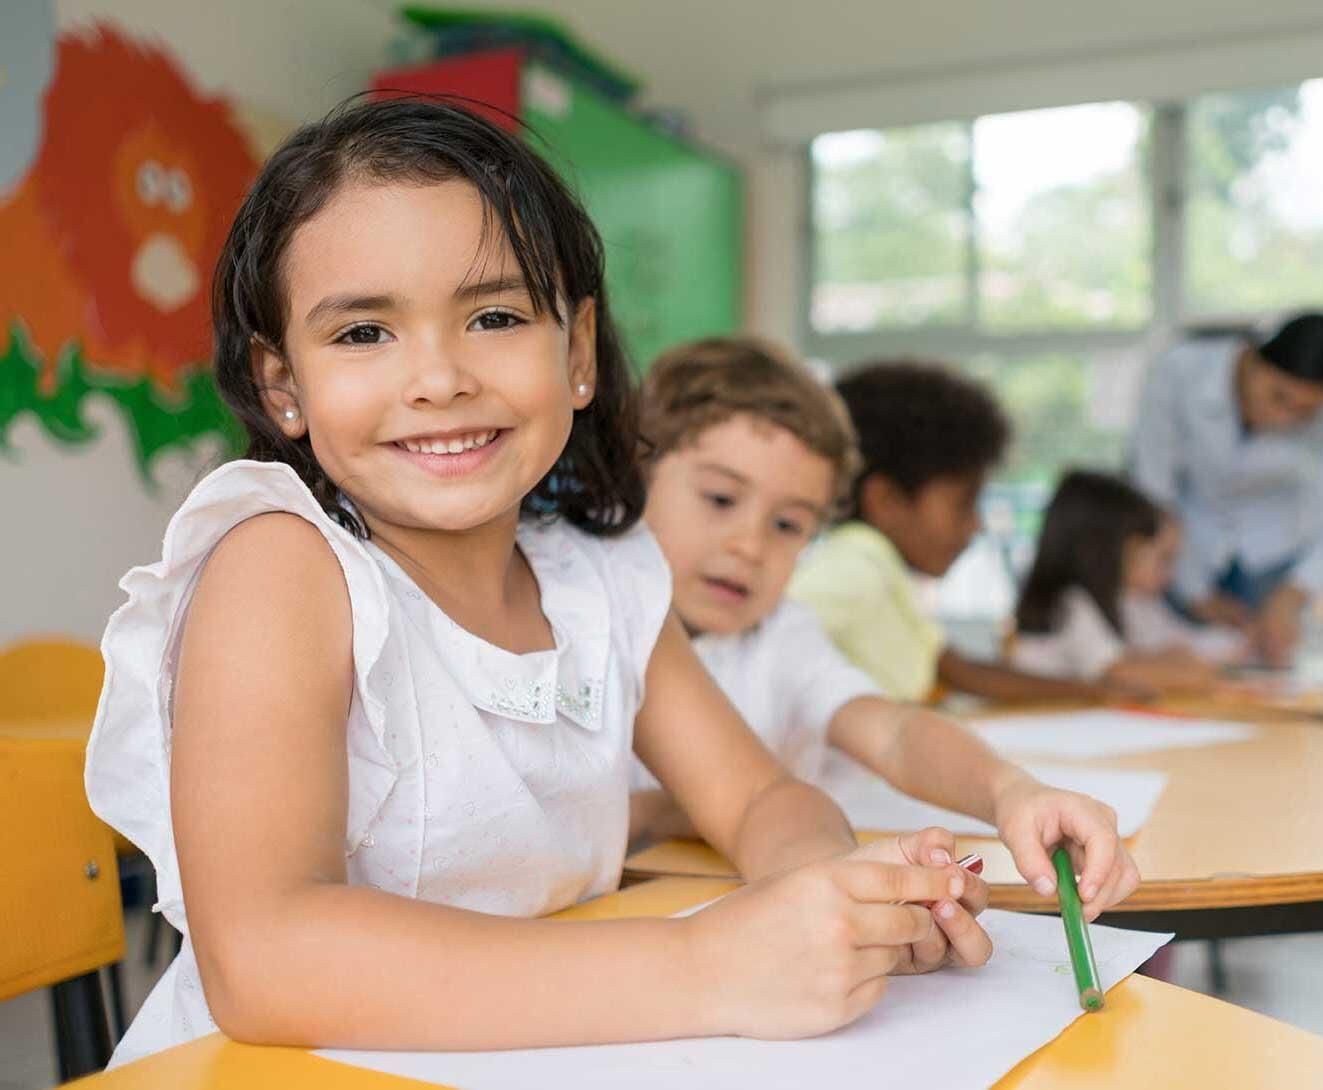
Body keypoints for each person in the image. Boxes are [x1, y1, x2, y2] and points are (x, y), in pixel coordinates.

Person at [84, 98, 996, 1065]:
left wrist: (834, 904)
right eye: (363, 334)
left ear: (576, 353)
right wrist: (704, 963)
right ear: (283, 387)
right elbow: (264, 962)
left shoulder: (601, 579)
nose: (438, 378)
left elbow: (761, 800)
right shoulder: (280, 565)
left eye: (494, 316)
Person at [626, 338, 1139, 915]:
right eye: (720, 498)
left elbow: (894, 732)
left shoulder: (778, 633)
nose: (750, 545)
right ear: (634, 476)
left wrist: (1011, 791)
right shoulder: (590, 616)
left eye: (789, 525)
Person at [789, 361, 1108, 705]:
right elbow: (773, 631)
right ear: (887, 501)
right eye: (963, 503)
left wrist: (1095, 693)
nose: (976, 524)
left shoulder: (877, 567)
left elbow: (959, 670)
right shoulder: (857, 561)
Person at [1130, 313, 1323, 665]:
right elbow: (1153, 489)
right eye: (1278, 397)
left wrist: (1293, 595)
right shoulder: (1180, 373)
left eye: (1305, 412)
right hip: (1185, 550)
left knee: (1265, 672)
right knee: (1177, 668)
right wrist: (1194, 592)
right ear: (1251, 359)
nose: (1284, 418)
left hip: (1273, 559)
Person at [1011, 470, 1246, 693]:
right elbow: (1118, 672)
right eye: (1132, 548)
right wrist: (1203, 675)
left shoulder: (1119, 602)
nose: (1135, 558)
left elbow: (1169, 650)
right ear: (1098, 548)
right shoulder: (1070, 604)